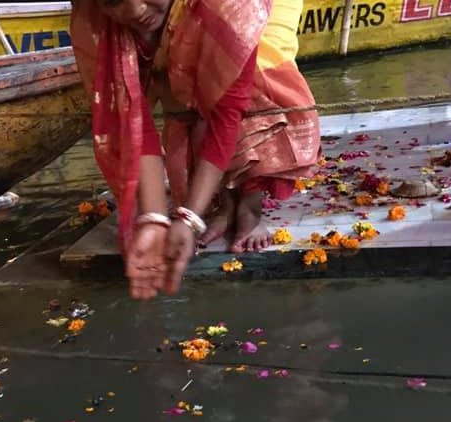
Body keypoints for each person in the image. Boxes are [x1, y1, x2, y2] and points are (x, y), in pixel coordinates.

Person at [71, 0, 321, 299]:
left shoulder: (233, 8)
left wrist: (189, 219)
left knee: (250, 73)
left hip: (243, 13)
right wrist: (154, 218)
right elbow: (131, 113)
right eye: (116, 2)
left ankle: (250, 205)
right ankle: (225, 204)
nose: (136, 10)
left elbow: (228, 113)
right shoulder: (94, 18)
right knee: (181, 97)